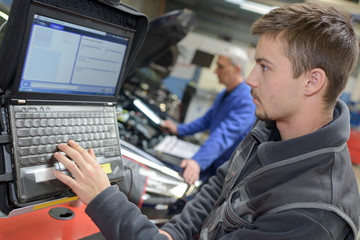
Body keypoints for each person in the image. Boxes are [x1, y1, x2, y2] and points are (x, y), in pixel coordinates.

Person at [53, 2, 360, 239]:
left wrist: (103, 197)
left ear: (312, 82)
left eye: (265, 67)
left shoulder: (311, 215)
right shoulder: (270, 128)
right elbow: (220, 187)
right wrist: (174, 232)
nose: (250, 80)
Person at [161, 47, 256, 185]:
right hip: (214, 160)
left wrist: (198, 161)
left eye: (220, 67)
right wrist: (179, 129)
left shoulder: (247, 100)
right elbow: (207, 120)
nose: (215, 71)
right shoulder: (224, 93)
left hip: (228, 169)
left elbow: (224, 135)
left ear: (236, 69)